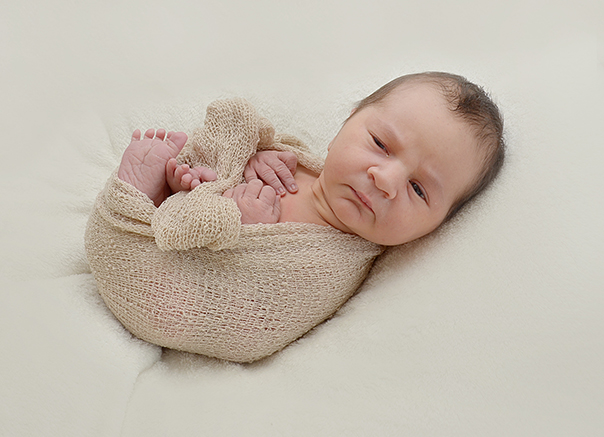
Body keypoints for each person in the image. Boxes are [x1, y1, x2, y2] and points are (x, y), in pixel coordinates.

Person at [85, 71, 504, 362]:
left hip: (177, 294)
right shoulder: (296, 161)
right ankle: (160, 194)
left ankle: (135, 203)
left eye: (418, 189)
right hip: (177, 230)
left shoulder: (333, 260)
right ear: (345, 125)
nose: (386, 180)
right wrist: (251, 158)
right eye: (380, 143)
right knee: (213, 163)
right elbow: (251, 156)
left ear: (436, 227)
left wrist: (242, 225)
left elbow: (258, 320)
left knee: (169, 303)